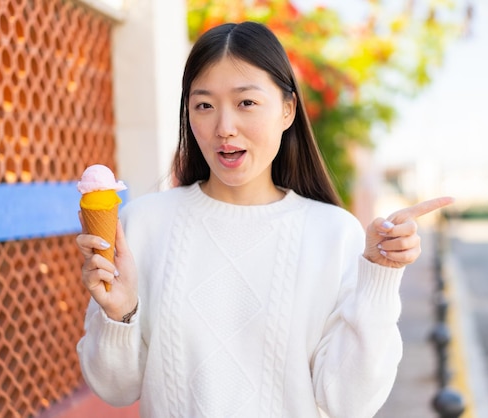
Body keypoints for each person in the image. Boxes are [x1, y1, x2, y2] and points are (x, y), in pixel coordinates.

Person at [76, 21, 453, 418]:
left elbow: (349, 403)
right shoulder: (142, 225)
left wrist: (380, 277)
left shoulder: (333, 233)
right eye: (204, 105)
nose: (224, 128)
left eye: (246, 103)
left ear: (288, 110)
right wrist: (120, 314)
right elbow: (115, 389)